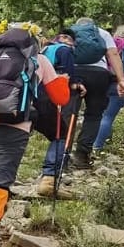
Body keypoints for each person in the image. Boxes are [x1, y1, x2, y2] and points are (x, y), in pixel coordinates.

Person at [0, 22, 73, 247]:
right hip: (14, 127)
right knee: (1, 181)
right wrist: (63, 80)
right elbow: (60, 97)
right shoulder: (39, 60)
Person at [67, 17, 124, 171]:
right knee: (94, 114)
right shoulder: (102, 33)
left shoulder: (69, 32)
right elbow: (113, 55)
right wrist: (121, 80)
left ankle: (61, 153)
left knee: (68, 113)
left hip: (73, 73)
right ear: (92, 25)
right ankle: (82, 154)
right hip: (98, 75)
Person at [35, 31, 80, 199]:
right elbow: (68, 75)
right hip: (43, 98)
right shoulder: (64, 50)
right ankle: (49, 179)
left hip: (13, 102)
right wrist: (75, 84)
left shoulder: (44, 50)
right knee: (61, 135)